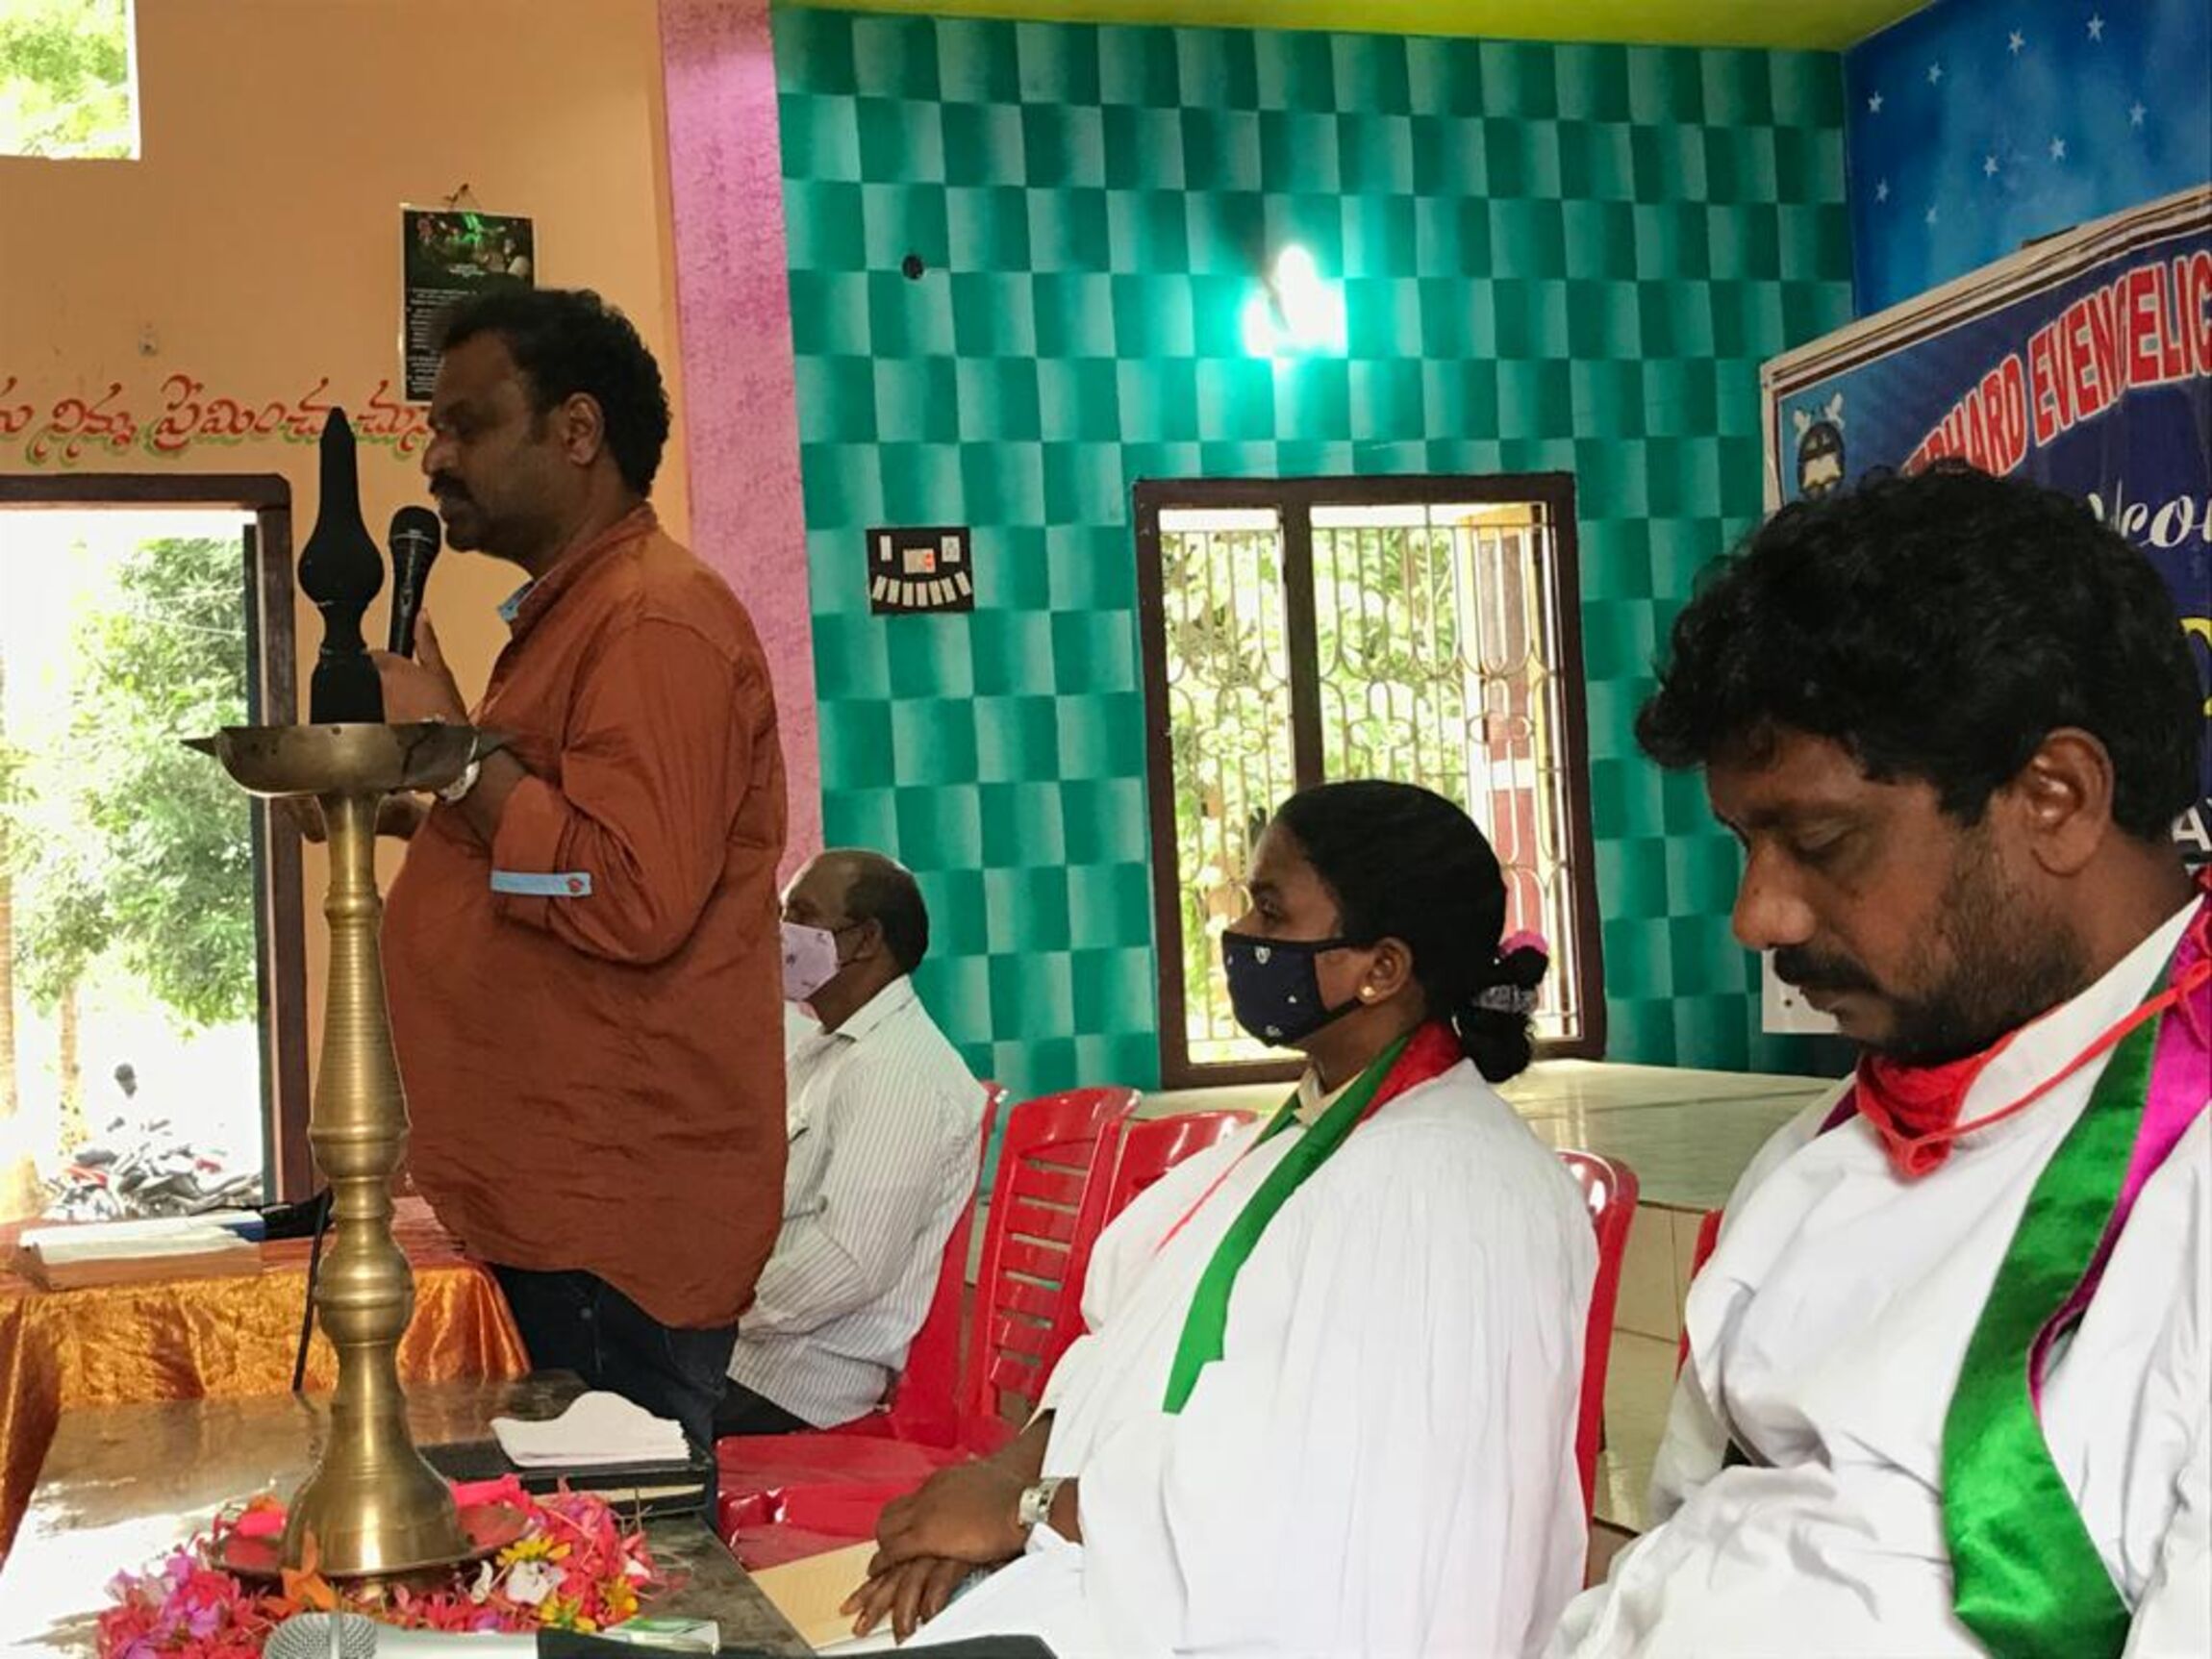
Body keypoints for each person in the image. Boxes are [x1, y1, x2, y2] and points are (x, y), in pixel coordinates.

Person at [1550, 465, 2209, 1658]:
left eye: (1818, 840)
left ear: (2054, 798)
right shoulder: (1807, 1163)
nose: (1757, 918)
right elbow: (1681, 1546)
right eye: (1745, 846)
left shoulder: (2188, 1176)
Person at [846, 781, 1596, 1656]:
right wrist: (999, 1489)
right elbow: (1126, 1342)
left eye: (1271, 912)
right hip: (1109, 1569)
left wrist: (1024, 1512)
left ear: (1381, 969)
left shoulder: (1440, 1190)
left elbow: (1306, 1510)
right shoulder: (1309, 1131)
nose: (1240, 934)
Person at [375, 287, 788, 1451]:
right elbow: (553, 856)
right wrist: (411, 815)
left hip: (613, 1229)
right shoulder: (578, 615)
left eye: (465, 425)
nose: (435, 458)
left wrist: (456, 757)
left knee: (622, 1557)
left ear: (575, 431)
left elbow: (626, 897)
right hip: (560, 1211)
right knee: (566, 1547)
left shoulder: (653, 622)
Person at [716, 849, 983, 1436]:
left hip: (793, 1385)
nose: (780, 932)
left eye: (802, 915)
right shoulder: (830, 1049)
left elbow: (848, 1261)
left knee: (599, 1389)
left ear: (864, 940)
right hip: (752, 1360)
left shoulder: (896, 1071)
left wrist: (717, 1313)